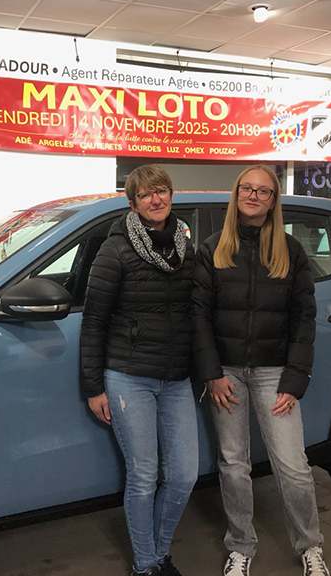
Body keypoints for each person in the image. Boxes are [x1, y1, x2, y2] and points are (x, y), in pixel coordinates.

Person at [192, 165, 329, 576]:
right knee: (234, 464)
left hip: (275, 372)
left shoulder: (291, 251)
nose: (253, 195)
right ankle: (240, 546)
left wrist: (295, 378)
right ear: (237, 194)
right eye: (247, 188)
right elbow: (198, 316)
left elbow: (304, 319)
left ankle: (310, 547)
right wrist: (212, 373)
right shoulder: (213, 249)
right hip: (226, 374)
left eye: (263, 191)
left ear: (273, 201)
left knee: (293, 466)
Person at [81, 165, 198, 576]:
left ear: (171, 195)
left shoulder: (185, 249)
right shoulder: (115, 250)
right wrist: (94, 386)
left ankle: (158, 554)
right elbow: (94, 321)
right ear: (133, 203)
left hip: (176, 378)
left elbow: (196, 312)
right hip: (128, 377)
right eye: (146, 194)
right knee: (144, 475)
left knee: (183, 475)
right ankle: (146, 565)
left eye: (161, 191)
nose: (156, 199)